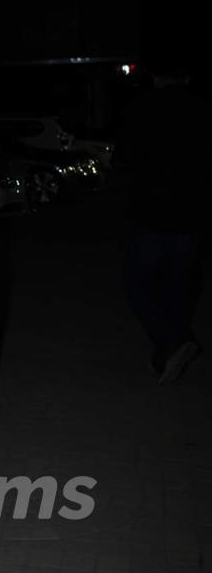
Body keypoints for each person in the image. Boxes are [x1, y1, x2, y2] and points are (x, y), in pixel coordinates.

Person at [114, 60, 211, 385]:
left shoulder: (143, 107)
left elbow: (123, 160)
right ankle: (167, 357)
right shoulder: (201, 107)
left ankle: (171, 347)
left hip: (152, 214)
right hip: (191, 215)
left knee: (139, 284)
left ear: (155, 76)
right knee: (178, 288)